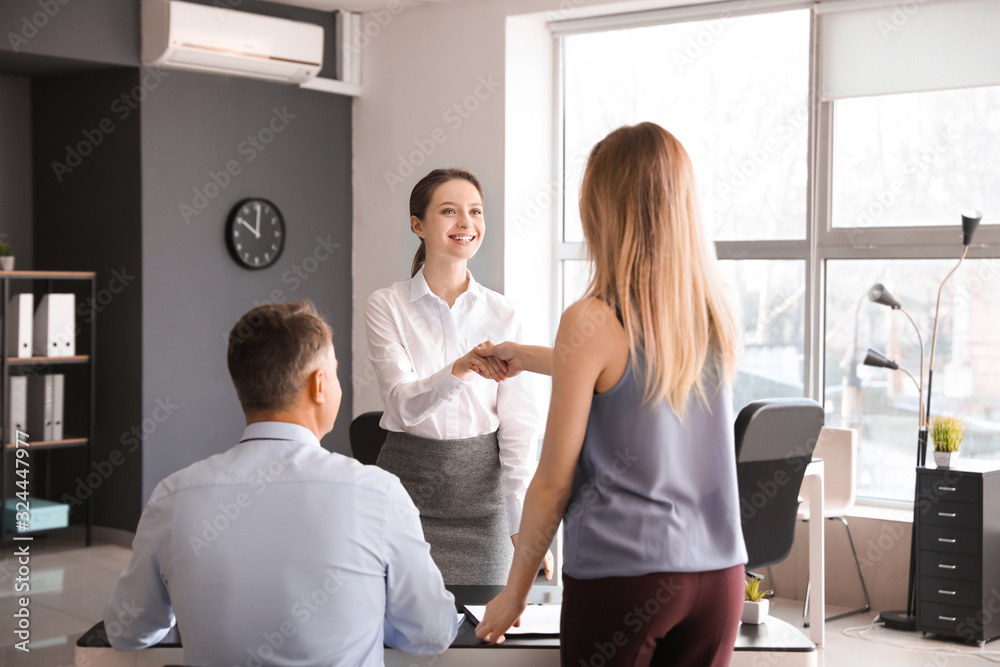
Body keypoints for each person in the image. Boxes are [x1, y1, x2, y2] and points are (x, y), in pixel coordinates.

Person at [473, 123, 747, 667]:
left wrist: (514, 594)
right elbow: (635, 376)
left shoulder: (591, 319)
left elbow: (553, 482)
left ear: (603, 208)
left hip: (627, 576)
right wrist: (528, 356)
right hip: (719, 578)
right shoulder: (710, 310)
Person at [104, 300, 458, 666]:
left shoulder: (173, 497)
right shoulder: (379, 493)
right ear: (319, 385)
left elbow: (127, 630)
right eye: (334, 372)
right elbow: (431, 632)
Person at [365, 167, 553, 585]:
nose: (466, 223)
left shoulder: (505, 313)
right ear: (418, 224)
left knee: (484, 635)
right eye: (449, 211)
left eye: (476, 211)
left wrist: (523, 523)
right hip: (405, 494)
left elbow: (520, 428)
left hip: (483, 504)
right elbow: (403, 405)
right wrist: (461, 369)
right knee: (398, 633)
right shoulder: (387, 305)